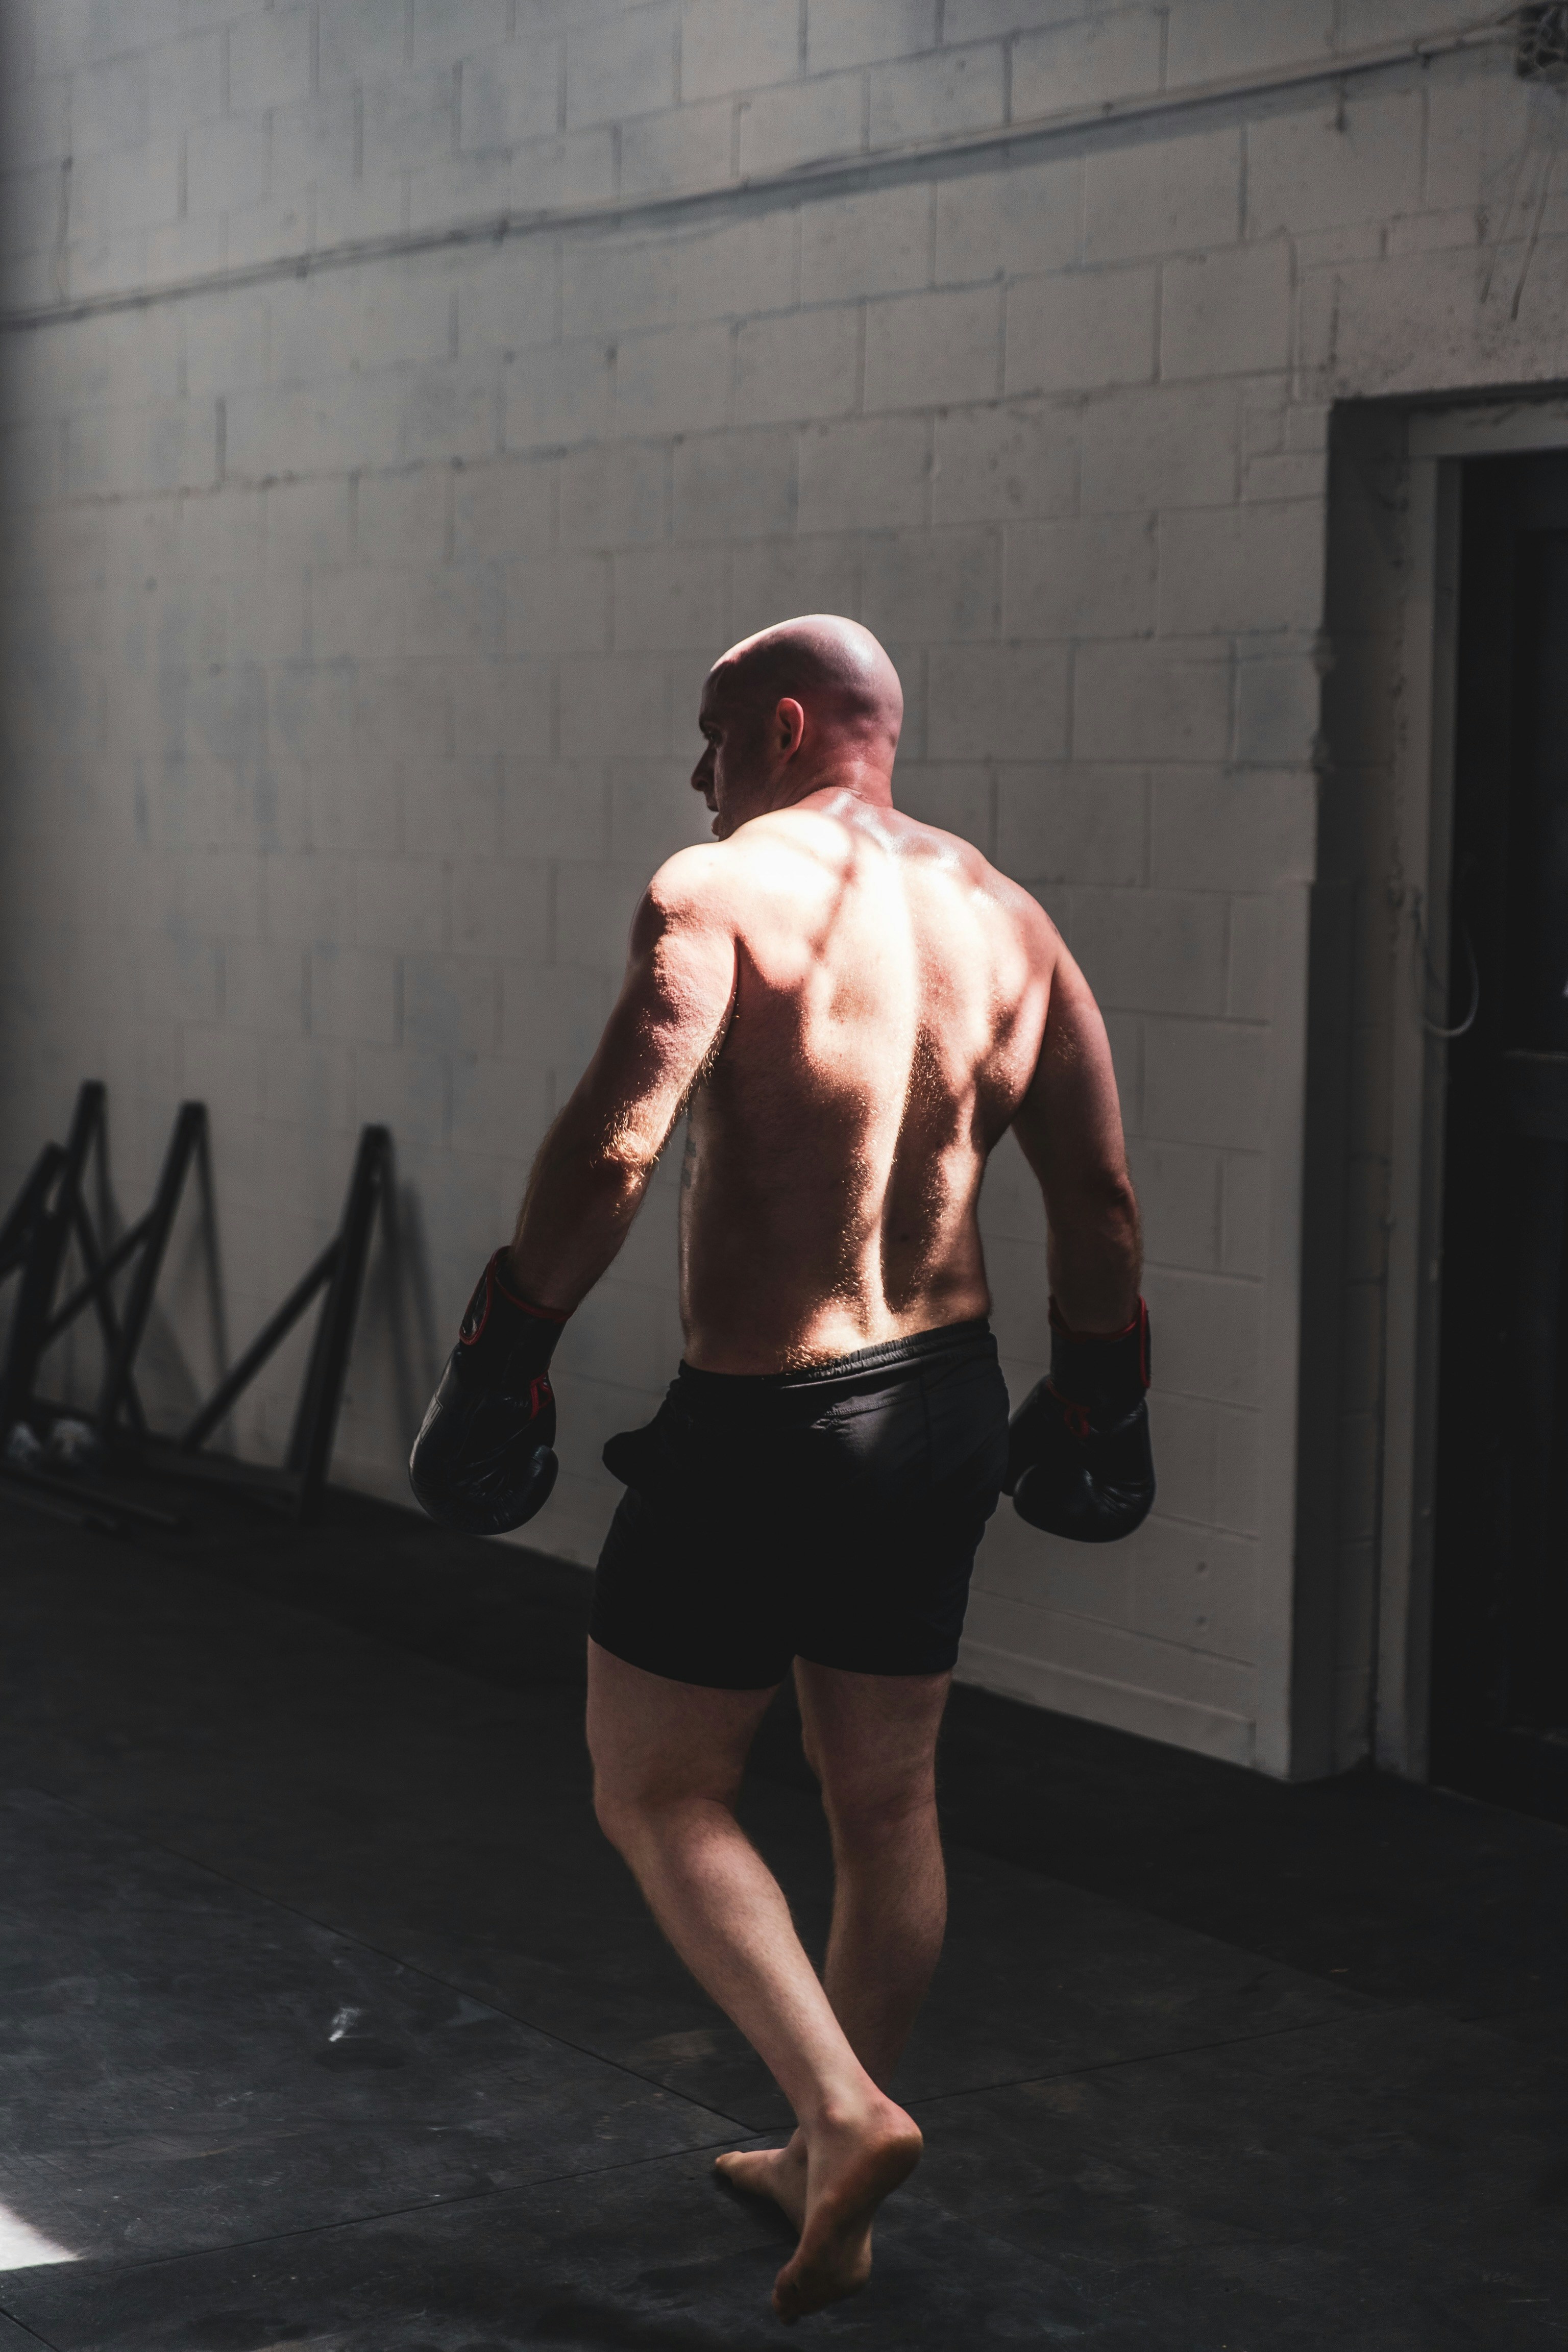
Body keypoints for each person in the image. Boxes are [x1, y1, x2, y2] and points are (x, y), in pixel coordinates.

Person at [409, 615, 1151, 2321]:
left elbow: (619, 1145)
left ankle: (842, 2110)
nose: (698, 772)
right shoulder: (1014, 921)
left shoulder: (720, 889)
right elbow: (1100, 1201)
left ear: (791, 724)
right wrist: (1102, 1396)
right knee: (886, 1804)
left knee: (656, 1790)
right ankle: (829, 2172)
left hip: (766, 1421)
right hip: (945, 1404)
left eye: (713, 733)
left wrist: (507, 1347)